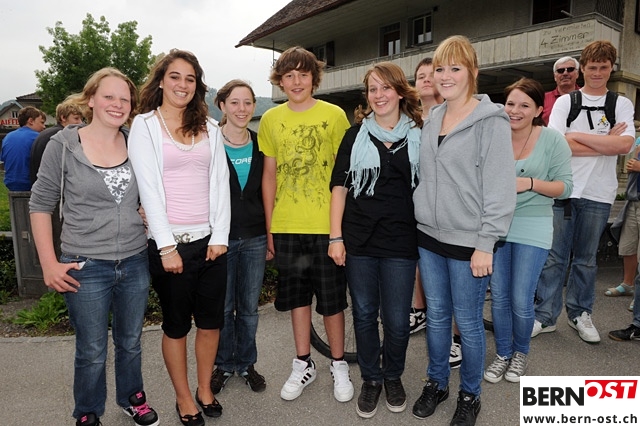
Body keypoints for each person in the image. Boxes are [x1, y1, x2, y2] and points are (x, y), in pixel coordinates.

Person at [29, 68, 159, 426]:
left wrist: (146, 211)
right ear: (91, 100)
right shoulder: (62, 146)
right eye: (109, 96)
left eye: (125, 98)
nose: (118, 104)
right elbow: (39, 205)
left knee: (131, 341)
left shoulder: (137, 142)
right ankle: (88, 411)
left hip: (134, 260)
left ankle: (132, 398)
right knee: (91, 348)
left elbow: (152, 190)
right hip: (84, 265)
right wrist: (49, 264)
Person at [411, 35, 516, 426]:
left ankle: (470, 394)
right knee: (437, 316)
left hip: (470, 242)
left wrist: (486, 243)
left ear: (472, 71)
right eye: (440, 68)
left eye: (455, 68)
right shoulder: (433, 117)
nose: (446, 75)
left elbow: (501, 188)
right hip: (429, 236)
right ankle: (437, 382)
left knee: (468, 323)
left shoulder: (491, 121)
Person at [128, 49, 230, 426]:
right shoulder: (145, 126)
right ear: (161, 81)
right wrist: (166, 246)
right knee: (176, 326)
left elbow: (220, 183)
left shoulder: (211, 128)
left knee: (210, 323)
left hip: (210, 243)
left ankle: (204, 389)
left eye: (190, 78)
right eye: (175, 76)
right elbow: (149, 189)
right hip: (170, 246)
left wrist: (220, 236)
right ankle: (184, 397)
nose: (182, 84)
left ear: (197, 85)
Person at [258, 46, 354, 403]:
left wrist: (340, 230)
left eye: (303, 74)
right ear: (280, 81)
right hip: (287, 225)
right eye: (289, 75)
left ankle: (339, 363)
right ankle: (303, 362)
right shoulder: (270, 119)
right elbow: (269, 177)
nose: (296, 81)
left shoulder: (334, 115)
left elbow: (344, 175)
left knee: (332, 301)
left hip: (326, 226)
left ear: (314, 78)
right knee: (297, 299)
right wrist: (270, 228)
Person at [329, 62, 422, 418]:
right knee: (365, 314)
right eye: (373, 89)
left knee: (397, 320)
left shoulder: (420, 133)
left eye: (386, 88)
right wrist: (335, 237)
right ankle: (371, 379)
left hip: (402, 240)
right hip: (359, 240)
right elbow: (339, 187)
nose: (379, 95)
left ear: (399, 91)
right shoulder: (354, 135)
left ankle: (392, 375)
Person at [532, 40, 635, 344]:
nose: (598, 73)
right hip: (563, 189)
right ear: (582, 69)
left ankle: (580, 314)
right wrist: (604, 143)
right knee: (554, 258)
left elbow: (624, 145)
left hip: (598, 193)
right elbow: (557, 145)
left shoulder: (621, 104)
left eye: (604, 67)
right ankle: (545, 316)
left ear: (611, 68)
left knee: (587, 259)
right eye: (592, 67)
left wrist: (575, 136)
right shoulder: (566, 102)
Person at [483, 78, 572, 384]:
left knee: (521, 298)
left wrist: (530, 183)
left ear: (537, 110)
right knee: (499, 297)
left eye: (524, 105)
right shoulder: (492, 136)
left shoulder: (553, 140)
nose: (515, 110)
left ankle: (520, 352)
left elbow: (565, 187)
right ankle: (503, 353)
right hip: (496, 225)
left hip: (533, 223)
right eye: (510, 103)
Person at [210, 79, 268, 394]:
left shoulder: (261, 144)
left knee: (248, 308)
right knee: (222, 307)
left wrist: (270, 235)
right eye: (234, 102)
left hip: (255, 237)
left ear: (254, 106)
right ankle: (222, 365)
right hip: (220, 239)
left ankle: (246, 364)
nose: (241, 109)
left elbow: (268, 191)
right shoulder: (209, 143)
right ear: (222, 105)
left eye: (247, 102)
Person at [412, 57, 463, 370]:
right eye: (421, 76)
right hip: (416, 204)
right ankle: (420, 312)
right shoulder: (409, 118)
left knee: (452, 277)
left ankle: (457, 337)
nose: (427, 79)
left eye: (433, 74)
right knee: (422, 263)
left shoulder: (453, 115)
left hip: (449, 208)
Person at [30, 99, 83, 184]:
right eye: (76, 118)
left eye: (81, 118)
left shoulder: (46, 133)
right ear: (63, 118)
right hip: (52, 185)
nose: (80, 122)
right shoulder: (61, 137)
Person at [1, 106, 46, 190]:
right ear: (31, 121)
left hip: (10, 183)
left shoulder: (8, 137)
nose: (44, 127)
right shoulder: (39, 138)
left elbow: (4, 158)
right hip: (32, 183)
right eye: (42, 122)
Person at [542, 56, 580, 125]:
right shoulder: (542, 99)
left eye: (570, 69)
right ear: (555, 76)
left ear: (577, 74)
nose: (565, 73)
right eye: (560, 71)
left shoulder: (587, 96)